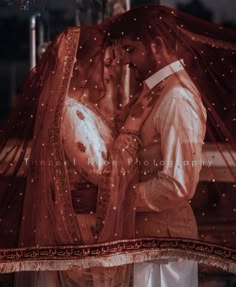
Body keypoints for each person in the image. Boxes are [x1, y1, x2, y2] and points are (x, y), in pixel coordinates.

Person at [0, 4, 235, 287]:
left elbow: (178, 186)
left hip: (165, 245)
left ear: (156, 45)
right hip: (147, 240)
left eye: (130, 50)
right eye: (116, 56)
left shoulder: (176, 98)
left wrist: (109, 201)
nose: (124, 62)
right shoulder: (153, 93)